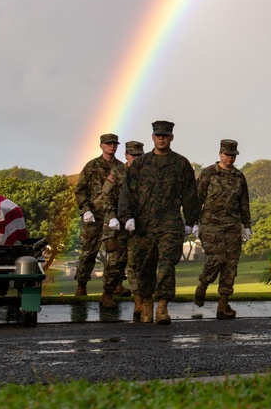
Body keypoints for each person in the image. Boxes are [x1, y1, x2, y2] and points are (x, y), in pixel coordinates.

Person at [119, 120, 201, 325]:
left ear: (171, 137)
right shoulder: (140, 164)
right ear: (153, 137)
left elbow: (190, 194)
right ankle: (146, 304)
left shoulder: (181, 164)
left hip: (170, 224)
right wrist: (127, 216)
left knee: (166, 266)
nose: (162, 138)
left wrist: (191, 221)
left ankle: (162, 307)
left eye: (165, 135)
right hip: (144, 225)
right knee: (145, 266)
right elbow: (127, 193)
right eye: (158, 135)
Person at [194, 139, 252, 319]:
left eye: (233, 155)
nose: (230, 158)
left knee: (231, 264)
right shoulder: (208, 173)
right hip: (211, 223)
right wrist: (195, 222)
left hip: (232, 224)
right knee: (218, 258)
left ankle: (223, 305)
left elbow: (244, 203)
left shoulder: (239, 177)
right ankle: (203, 284)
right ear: (220, 154)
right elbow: (197, 199)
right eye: (227, 155)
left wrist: (247, 225)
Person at [96, 140, 144, 311]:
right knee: (116, 261)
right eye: (133, 155)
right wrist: (111, 217)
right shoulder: (117, 173)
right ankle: (107, 293)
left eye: (139, 155)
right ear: (126, 156)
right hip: (116, 224)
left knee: (135, 262)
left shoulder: (146, 175)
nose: (136, 158)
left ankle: (138, 298)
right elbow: (106, 196)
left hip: (137, 226)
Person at [73, 133, 123, 296]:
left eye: (114, 144)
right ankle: (81, 286)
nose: (112, 146)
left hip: (113, 217)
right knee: (89, 252)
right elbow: (80, 190)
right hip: (94, 216)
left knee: (116, 252)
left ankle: (116, 285)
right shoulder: (91, 166)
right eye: (108, 144)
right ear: (101, 145)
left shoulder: (121, 168)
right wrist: (85, 209)